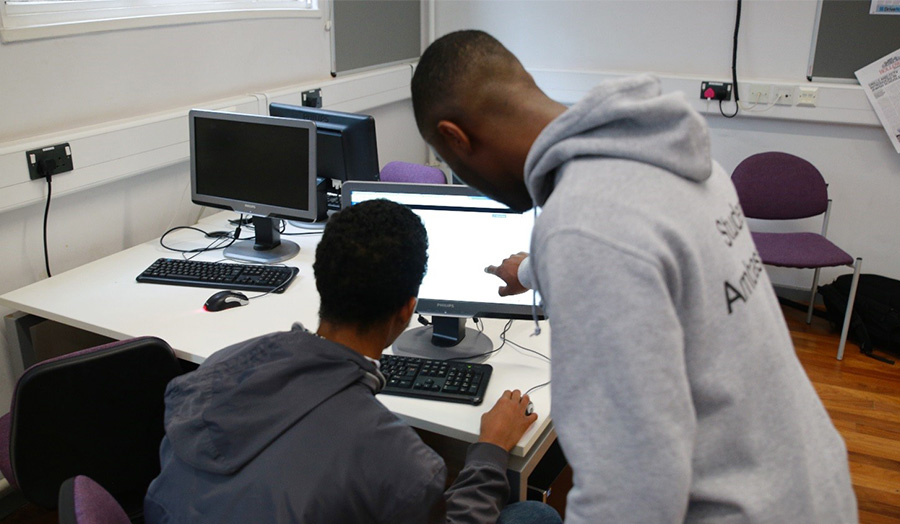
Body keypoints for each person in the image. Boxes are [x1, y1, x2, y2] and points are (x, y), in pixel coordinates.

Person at [411, 30, 857, 523]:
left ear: (456, 137)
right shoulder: (667, 156)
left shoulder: (585, 225)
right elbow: (646, 247)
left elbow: (631, 495)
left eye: (449, 161)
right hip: (803, 480)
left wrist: (563, 249)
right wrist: (530, 269)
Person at [143, 199, 561, 524]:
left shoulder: (214, 370)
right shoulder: (403, 463)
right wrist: (489, 449)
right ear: (407, 310)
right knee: (535, 515)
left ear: (321, 281)